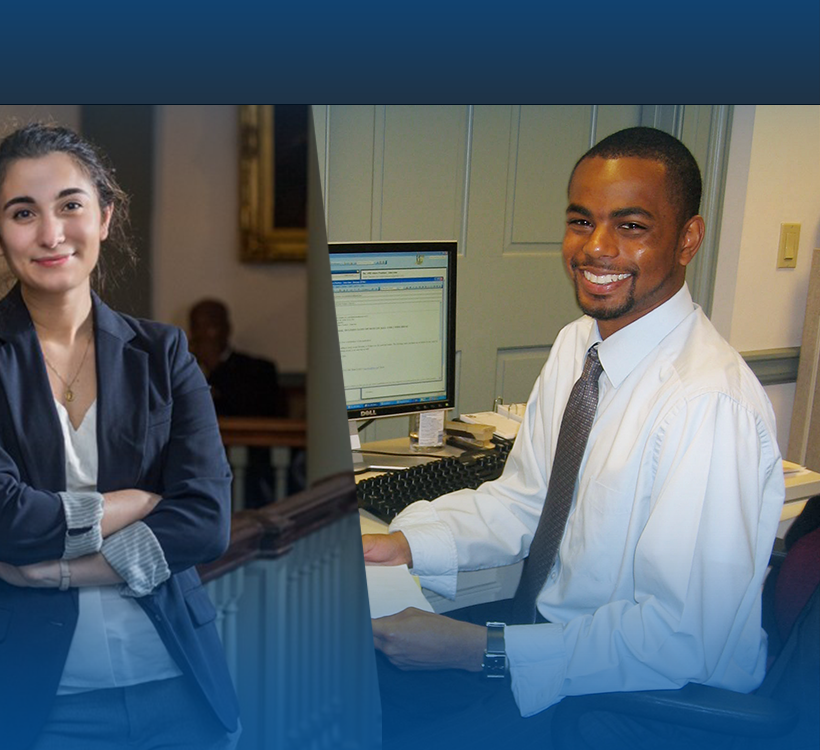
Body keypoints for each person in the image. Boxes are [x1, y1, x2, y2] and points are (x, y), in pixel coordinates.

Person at [362, 126, 782, 749]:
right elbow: (526, 499)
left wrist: (481, 650)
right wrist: (402, 544)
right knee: (361, 685)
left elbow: (682, 639)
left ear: (689, 238)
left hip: (638, 702)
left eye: (631, 226)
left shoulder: (706, 405)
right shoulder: (578, 346)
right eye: (581, 221)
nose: (596, 248)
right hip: (556, 646)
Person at [0, 123, 239, 750]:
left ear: (104, 216)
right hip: (27, 700)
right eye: (23, 213)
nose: (51, 234)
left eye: (71, 205)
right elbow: (2, 523)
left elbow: (208, 522)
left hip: (176, 684)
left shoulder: (164, 352)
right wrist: (133, 504)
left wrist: (54, 575)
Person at [187, 298, 291, 505]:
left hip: (250, 468)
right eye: (198, 327)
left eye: (212, 326)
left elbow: (258, 410)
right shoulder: (184, 368)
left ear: (227, 328)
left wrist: (215, 366)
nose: (205, 334)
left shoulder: (257, 369)